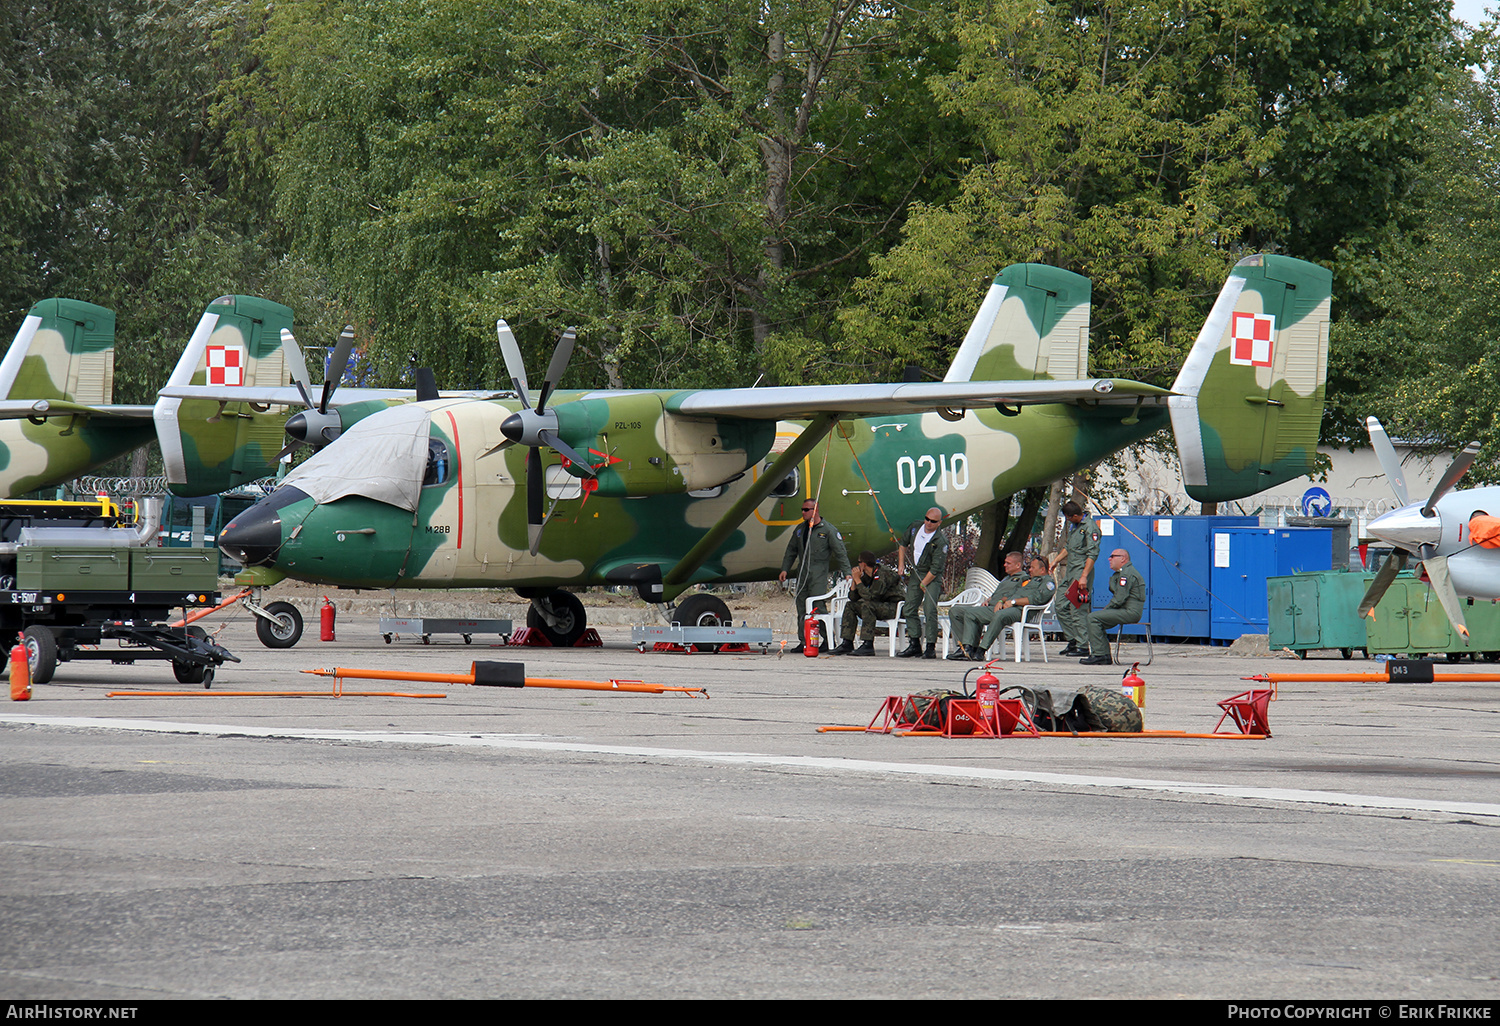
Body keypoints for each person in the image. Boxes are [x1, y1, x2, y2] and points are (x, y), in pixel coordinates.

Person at [947, 553, 1056, 660]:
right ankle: (967, 648)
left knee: (995, 614)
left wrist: (1013, 602)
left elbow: (1037, 599)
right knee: (963, 612)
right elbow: (1010, 593)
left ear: (1042, 570)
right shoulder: (1027, 580)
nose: (1030, 570)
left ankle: (980, 650)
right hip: (1008, 608)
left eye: (1032, 567)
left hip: (1021, 611)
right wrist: (1000, 601)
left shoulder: (1047, 583)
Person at [778, 499, 851, 621]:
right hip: (803, 571)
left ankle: (826, 638)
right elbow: (791, 550)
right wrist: (785, 569)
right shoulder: (800, 529)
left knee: (817, 606)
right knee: (801, 606)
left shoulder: (828, 530)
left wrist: (847, 572)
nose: (803, 512)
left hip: (818, 572)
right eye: (802, 509)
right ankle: (804, 639)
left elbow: (840, 553)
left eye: (806, 510)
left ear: (815, 510)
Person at [896, 506, 949, 658]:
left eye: (933, 521)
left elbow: (936, 568)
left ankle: (931, 646)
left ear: (939, 523)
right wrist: (901, 565)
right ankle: (914, 643)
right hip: (916, 571)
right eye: (927, 519)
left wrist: (923, 583)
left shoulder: (941, 541)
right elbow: (902, 545)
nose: (928, 523)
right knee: (909, 607)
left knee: (929, 609)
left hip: (931, 575)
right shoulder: (915, 527)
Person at [1049, 499, 1100, 657]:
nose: (1068, 520)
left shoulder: (1090, 528)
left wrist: (1084, 577)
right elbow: (1069, 547)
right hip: (1070, 572)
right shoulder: (1075, 526)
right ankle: (1073, 640)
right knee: (1060, 606)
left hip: (1081, 572)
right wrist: (1056, 561)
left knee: (1077, 608)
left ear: (1077, 515)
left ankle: (1083, 645)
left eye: (1070, 517)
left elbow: (1093, 554)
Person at [831, 550, 902, 656]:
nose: (857, 565)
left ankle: (868, 644)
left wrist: (858, 580)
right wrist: (855, 582)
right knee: (850, 606)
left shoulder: (882, 574)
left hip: (895, 607)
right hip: (880, 605)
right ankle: (847, 642)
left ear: (863, 564)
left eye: (858, 562)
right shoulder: (868, 575)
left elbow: (871, 597)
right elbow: (853, 598)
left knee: (867, 605)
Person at [1081, 549, 1145, 665]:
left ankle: (1100, 654)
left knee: (1093, 618)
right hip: (1126, 610)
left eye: (1113, 556)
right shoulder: (1122, 573)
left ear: (1123, 558)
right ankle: (1103, 655)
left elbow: (1119, 598)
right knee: (1097, 620)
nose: (1109, 559)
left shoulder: (1126, 574)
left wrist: (1106, 609)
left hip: (1129, 611)